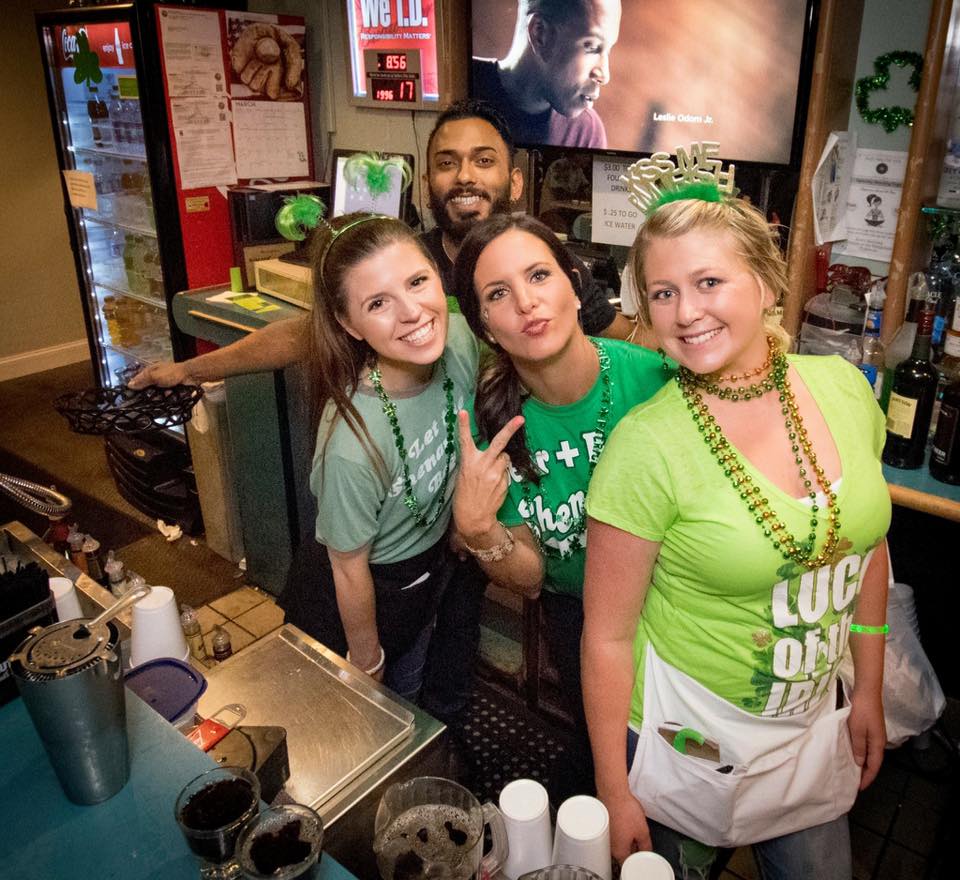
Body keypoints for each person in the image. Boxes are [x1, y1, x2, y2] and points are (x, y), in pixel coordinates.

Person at [582, 189, 891, 877]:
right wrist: (614, 788)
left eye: (709, 282)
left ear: (765, 280)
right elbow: (605, 637)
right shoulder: (646, 446)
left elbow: (866, 546)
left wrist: (865, 687)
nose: (686, 313)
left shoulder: (843, 386)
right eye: (662, 292)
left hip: (808, 727)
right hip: (681, 735)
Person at [128, 100, 632, 390]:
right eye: (446, 162)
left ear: (515, 182)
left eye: (483, 161)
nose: (463, 177)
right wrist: (189, 369)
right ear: (428, 182)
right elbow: (302, 336)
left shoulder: (549, 266)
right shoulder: (402, 264)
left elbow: (628, 343)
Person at [449, 213, 665, 799]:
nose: (526, 302)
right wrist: (478, 528)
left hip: (673, 606)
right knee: (607, 748)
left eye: (539, 275)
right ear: (486, 326)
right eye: (498, 293)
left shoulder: (655, 378)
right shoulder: (492, 422)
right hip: (579, 617)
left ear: (574, 286)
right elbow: (531, 575)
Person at [285, 211, 479, 704]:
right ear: (349, 325)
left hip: (424, 574)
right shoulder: (352, 444)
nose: (412, 312)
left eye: (418, 281)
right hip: (355, 597)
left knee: (410, 689)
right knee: (358, 718)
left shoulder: (458, 338)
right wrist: (365, 662)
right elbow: (348, 569)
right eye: (378, 303)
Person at [471, 0, 621, 149]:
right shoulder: (456, 81)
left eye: (608, 50)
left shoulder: (586, 133)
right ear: (540, 33)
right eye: (592, 47)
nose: (605, 76)